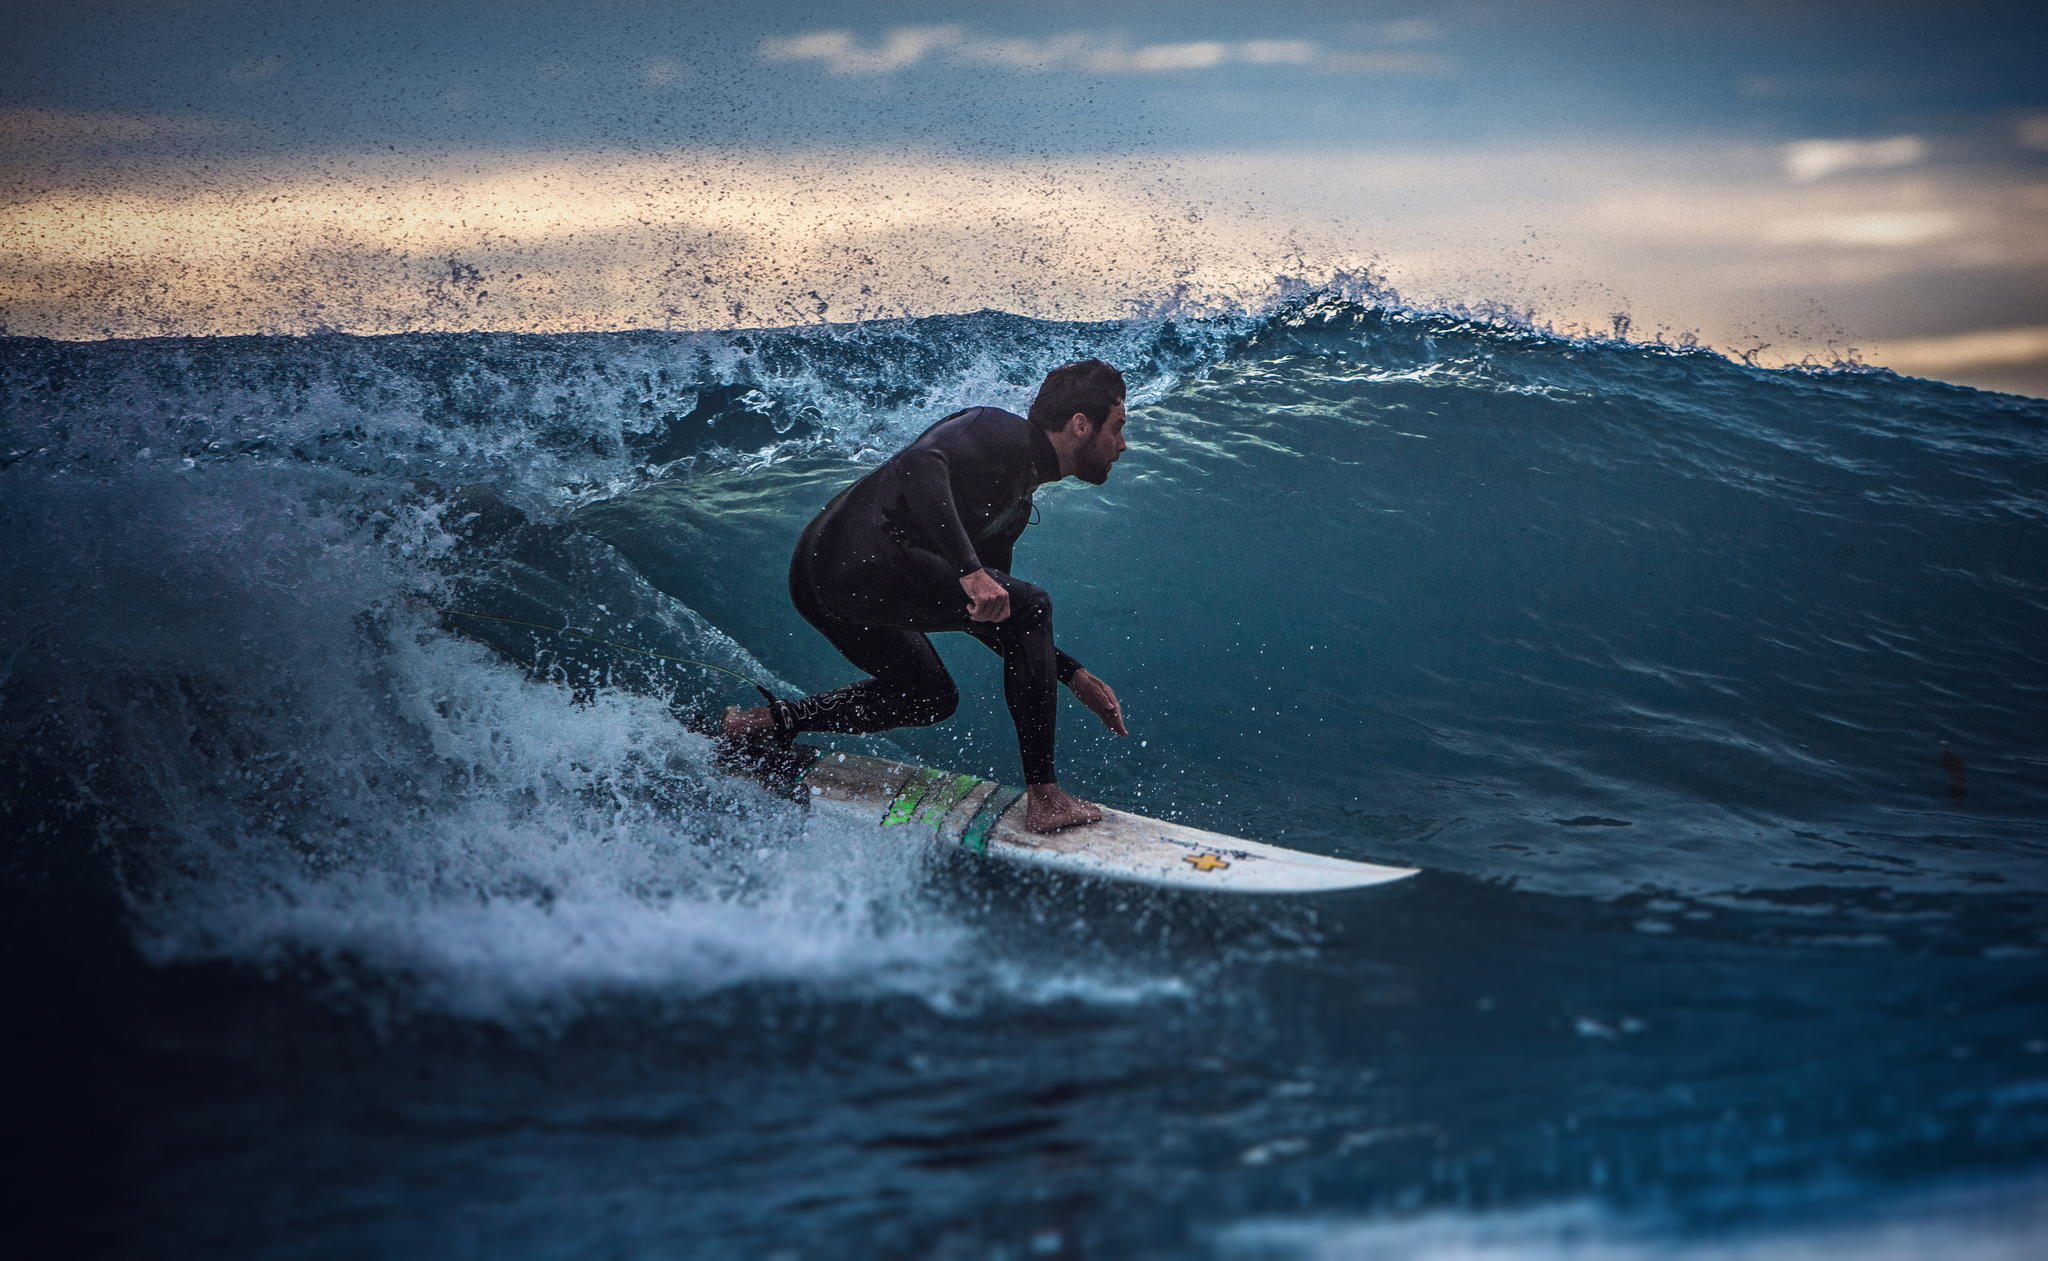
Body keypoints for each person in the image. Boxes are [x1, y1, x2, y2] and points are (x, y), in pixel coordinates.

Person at [721, 358, 1131, 832]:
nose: (1122, 444)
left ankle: (761, 723)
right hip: (851, 563)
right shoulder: (1000, 430)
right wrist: (970, 570)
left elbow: (992, 614)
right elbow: (919, 463)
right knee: (1033, 604)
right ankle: (1046, 797)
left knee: (929, 696)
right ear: (1081, 425)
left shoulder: (1016, 507)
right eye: (1117, 428)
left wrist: (1070, 672)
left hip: (831, 582)